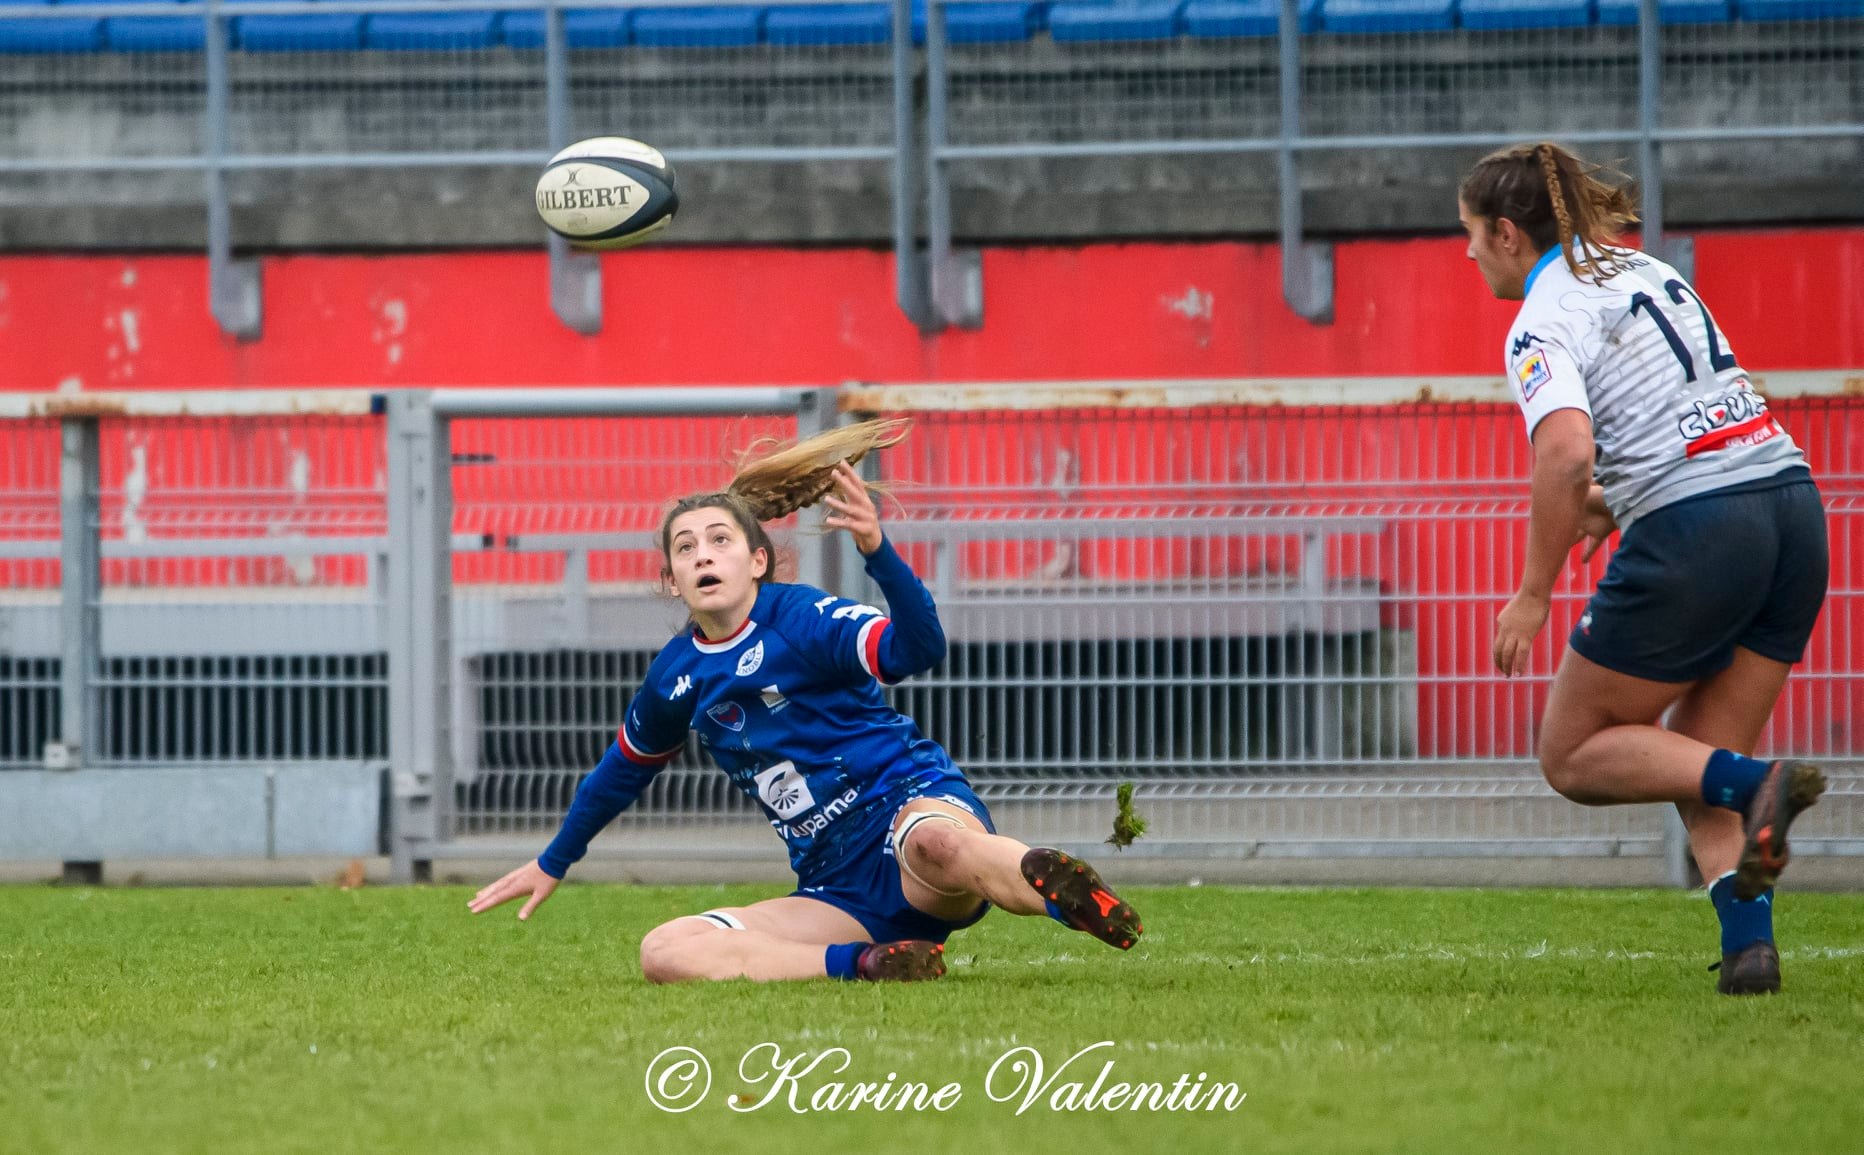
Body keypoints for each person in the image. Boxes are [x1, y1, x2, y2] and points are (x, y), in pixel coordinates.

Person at [468, 420, 1144, 982]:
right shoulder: (675, 676)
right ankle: (872, 962)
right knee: (664, 951)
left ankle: (1063, 890)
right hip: (837, 888)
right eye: (685, 546)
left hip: (905, 808)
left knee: (941, 842)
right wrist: (553, 859)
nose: (702, 554)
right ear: (672, 580)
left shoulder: (802, 617)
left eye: (719, 539)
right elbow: (620, 771)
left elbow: (916, 650)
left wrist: (878, 552)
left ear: (757, 561)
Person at [1458, 142, 1829, 995]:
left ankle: (1761, 784)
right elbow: (1686, 410)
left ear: (1509, 234)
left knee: (1574, 753)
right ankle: (1751, 953)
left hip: (1702, 528)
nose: (1468, 251)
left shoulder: (1542, 315)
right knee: (1695, 755)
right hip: (1791, 507)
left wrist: (1532, 593)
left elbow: (1563, 452)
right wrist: (1615, 501)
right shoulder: (1643, 269)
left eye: (1472, 233)